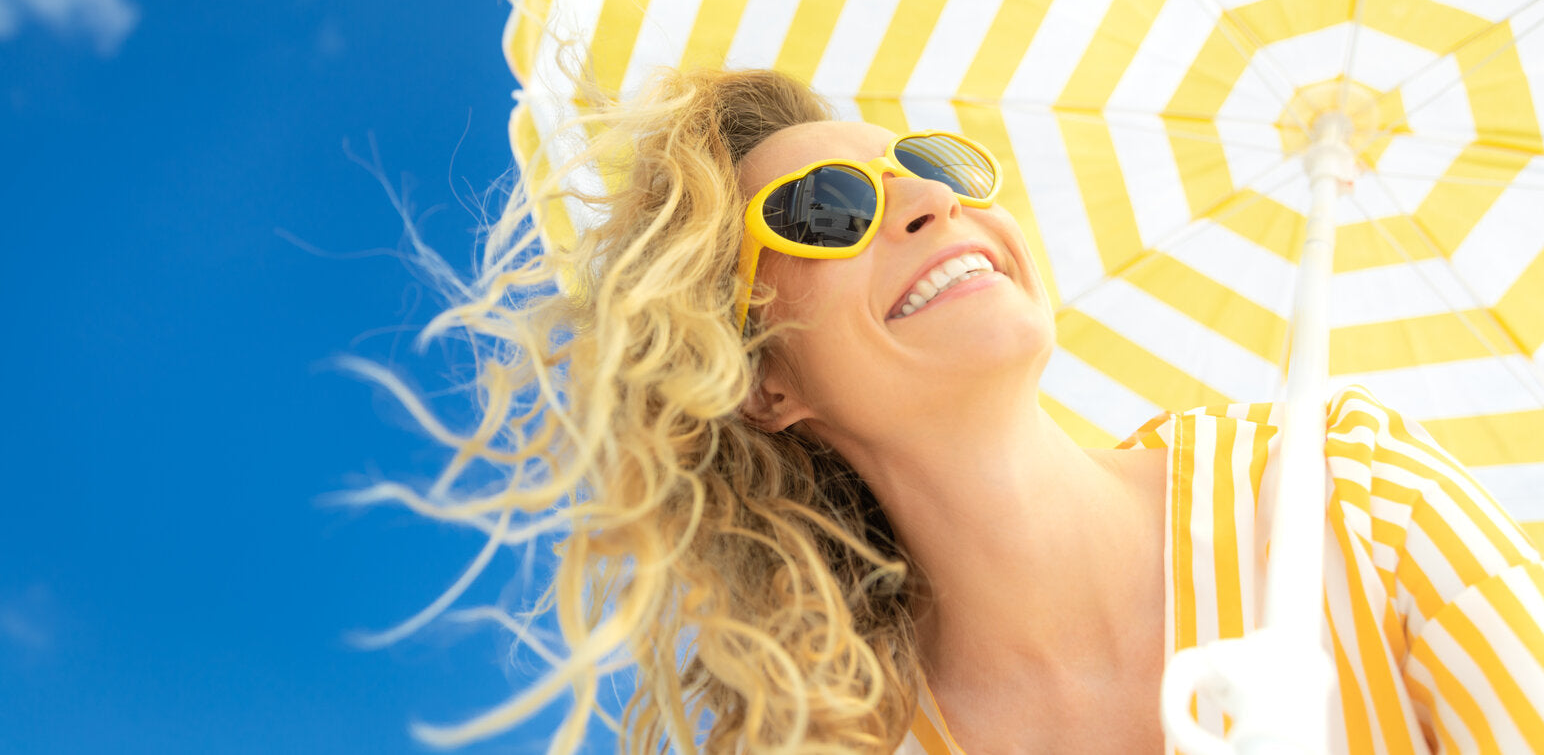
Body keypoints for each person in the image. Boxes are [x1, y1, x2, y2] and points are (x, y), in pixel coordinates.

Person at [397, 64, 1544, 754]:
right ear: (761, 379)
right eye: (827, 205)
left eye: (928, 163)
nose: (928, 201)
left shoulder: (1346, 495)